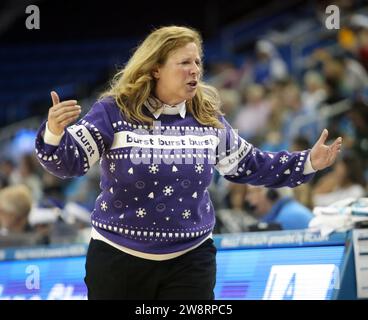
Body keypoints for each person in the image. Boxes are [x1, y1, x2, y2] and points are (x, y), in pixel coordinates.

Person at [34, 25, 343, 300]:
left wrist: (307, 162)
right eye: (184, 63)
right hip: (118, 257)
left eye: (197, 62)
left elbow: (250, 164)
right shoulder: (114, 111)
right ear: (156, 69)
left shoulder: (207, 118)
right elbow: (69, 164)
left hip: (191, 259)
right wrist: (54, 133)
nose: (195, 70)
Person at [245, 186, 314, 230]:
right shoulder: (288, 210)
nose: (247, 198)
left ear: (270, 193)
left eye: (252, 192)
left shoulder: (289, 217)